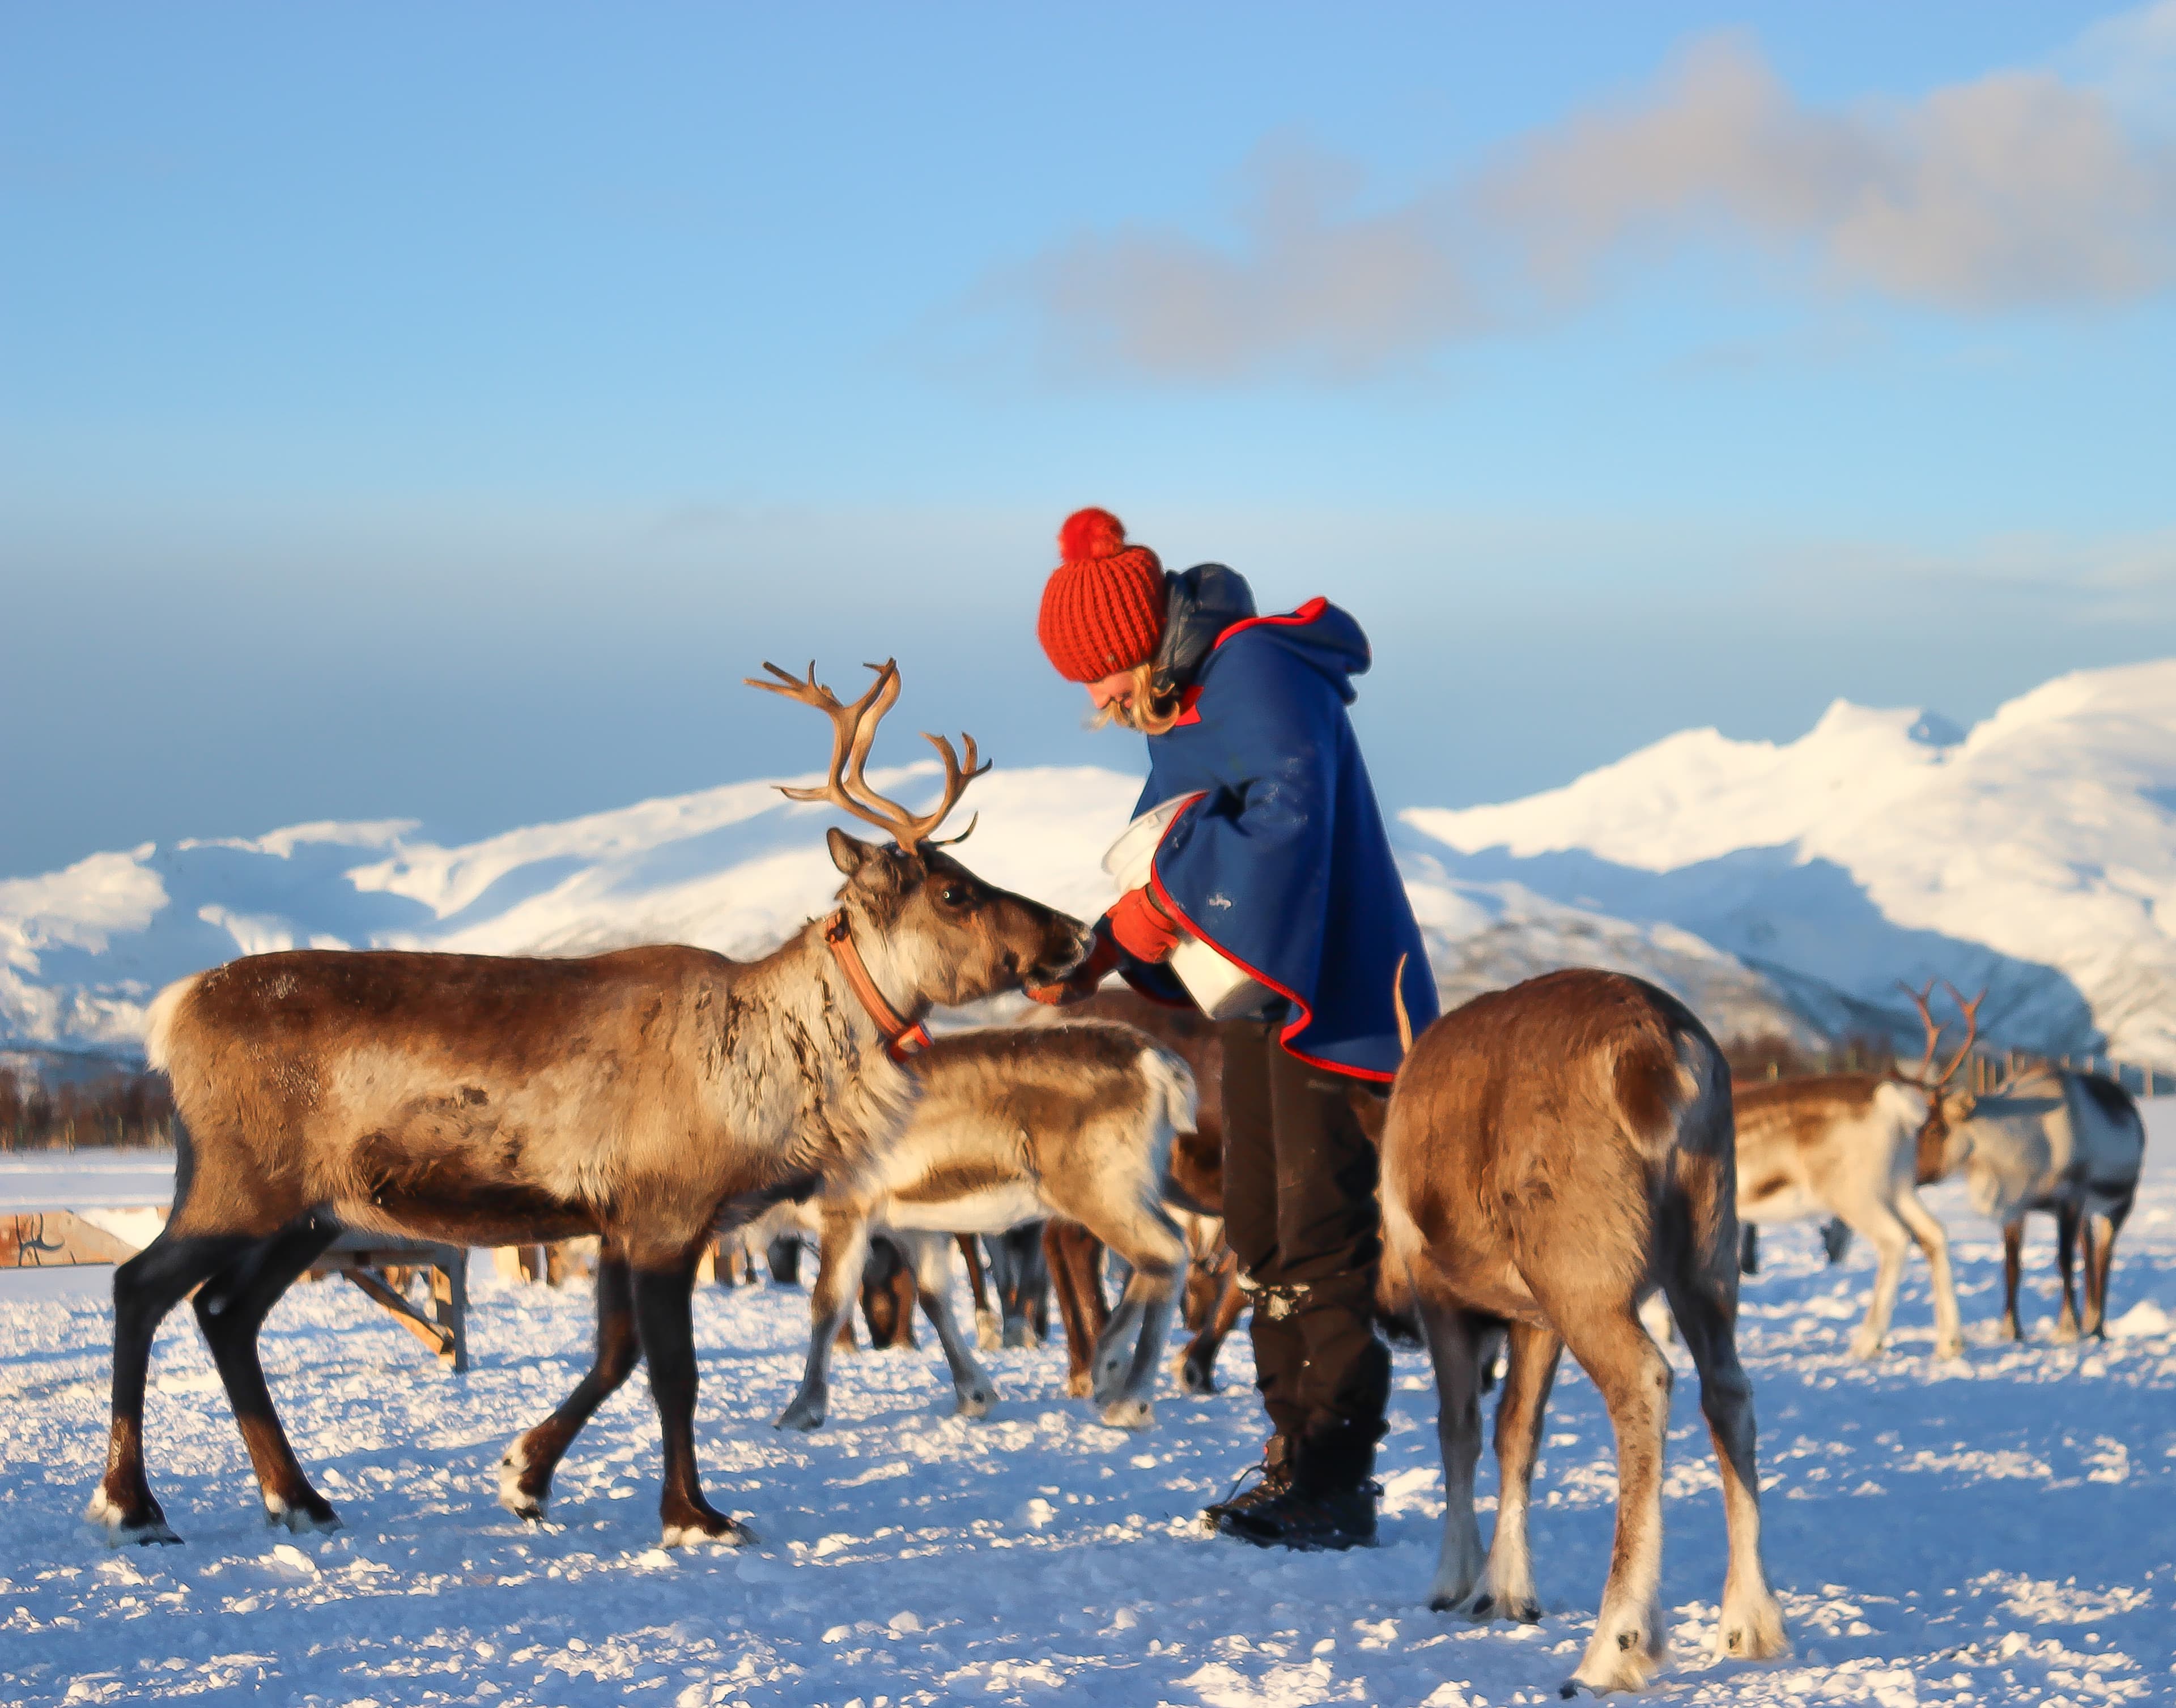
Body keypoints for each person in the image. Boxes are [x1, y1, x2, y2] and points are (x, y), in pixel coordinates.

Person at [1026, 506, 1438, 1551]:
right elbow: (1170, 851)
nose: (1098, 698)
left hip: (1332, 997)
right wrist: (1108, 956)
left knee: (1320, 1232)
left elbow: (1283, 818)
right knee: (1256, 1226)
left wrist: (1158, 908)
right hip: (1262, 995)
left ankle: (1336, 1480)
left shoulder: (1253, 672)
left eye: (1102, 671)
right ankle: (1291, 1456)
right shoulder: (1184, 702)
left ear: (1139, 638)